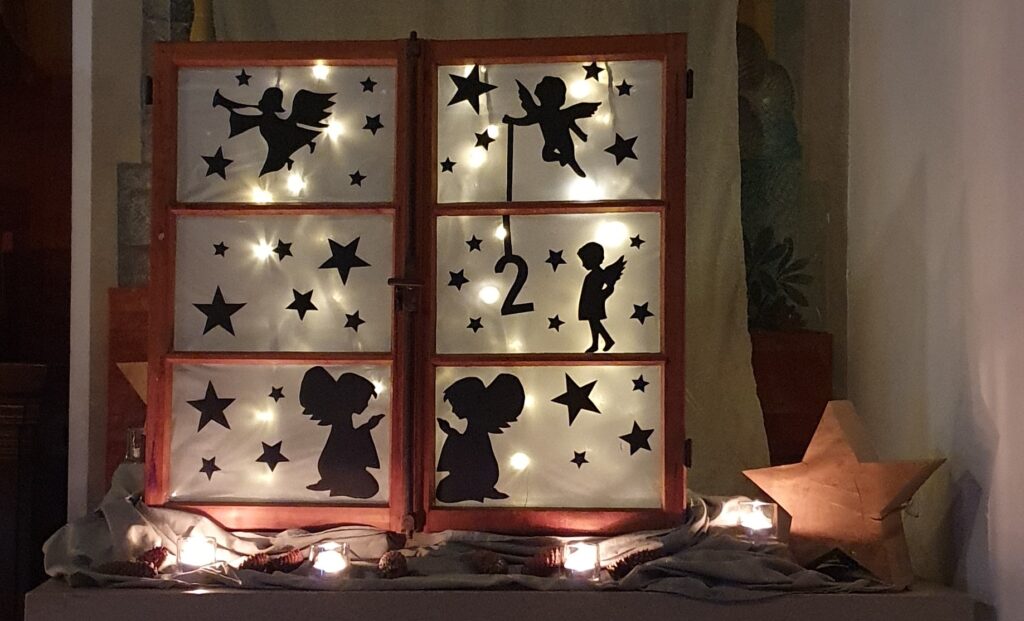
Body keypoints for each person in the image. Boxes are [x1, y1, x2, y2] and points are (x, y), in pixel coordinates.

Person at [436, 374, 524, 503]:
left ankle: (479, 489)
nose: (453, 410)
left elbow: (468, 446)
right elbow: (467, 444)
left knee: (444, 491)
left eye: (455, 404)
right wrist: (450, 431)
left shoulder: (477, 426)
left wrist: (451, 433)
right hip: (481, 473)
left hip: (482, 473)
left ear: (466, 402)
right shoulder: (476, 425)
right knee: (443, 491)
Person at [300, 367, 384, 498]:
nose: (366, 405)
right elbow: (348, 439)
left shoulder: (343, 417)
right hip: (333, 464)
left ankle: (334, 484)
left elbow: (348, 439)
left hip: (335, 463)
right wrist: (367, 427)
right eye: (365, 400)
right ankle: (335, 485)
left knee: (370, 487)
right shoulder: (342, 418)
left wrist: (368, 426)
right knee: (370, 488)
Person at [502, 76, 600, 177]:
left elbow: (571, 124)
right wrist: (512, 120)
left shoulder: (545, 113)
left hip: (564, 142)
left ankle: (566, 159)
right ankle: (563, 158)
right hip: (551, 143)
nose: (537, 86)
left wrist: (582, 135)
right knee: (547, 155)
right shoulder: (543, 113)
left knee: (569, 160)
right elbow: (526, 121)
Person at [576, 241, 626, 352]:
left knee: (595, 322)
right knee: (594, 323)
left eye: (584, 261)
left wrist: (601, 297)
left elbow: (609, 288)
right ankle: (601, 342)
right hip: (590, 304)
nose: (583, 264)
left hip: (594, 304)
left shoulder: (598, 274)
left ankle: (603, 342)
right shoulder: (592, 275)